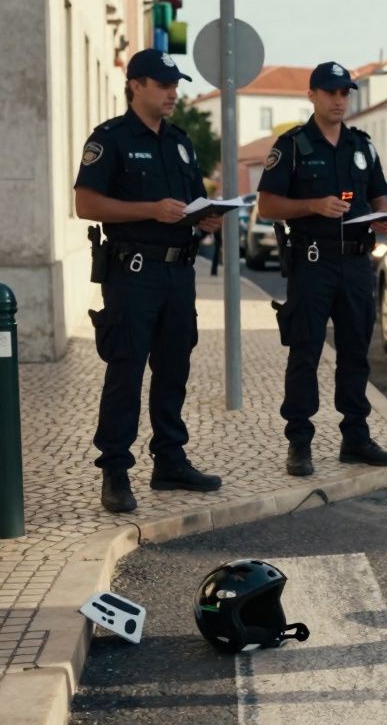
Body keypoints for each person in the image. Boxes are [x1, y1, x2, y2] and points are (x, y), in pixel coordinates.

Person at [74, 49, 225, 513]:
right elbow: (86, 204)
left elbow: (191, 203)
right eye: (163, 85)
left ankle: (170, 460)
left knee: (174, 367)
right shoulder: (111, 139)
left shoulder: (180, 143)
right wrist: (150, 210)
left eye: (175, 85)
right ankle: (115, 471)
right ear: (135, 85)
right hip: (133, 273)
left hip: (179, 273)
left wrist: (207, 219)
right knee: (126, 370)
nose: (172, 93)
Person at [256, 61, 387, 477]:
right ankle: (299, 442)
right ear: (312, 96)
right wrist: (313, 206)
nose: (339, 100)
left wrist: (384, 219)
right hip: (313, 263)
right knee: (305, 352)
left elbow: (379, 199)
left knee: (355, 353)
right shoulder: (293, 146)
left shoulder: (362, 146)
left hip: (356, 262)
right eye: (330, 92)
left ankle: (356, 438)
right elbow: (266, 205)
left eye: (344, 93)